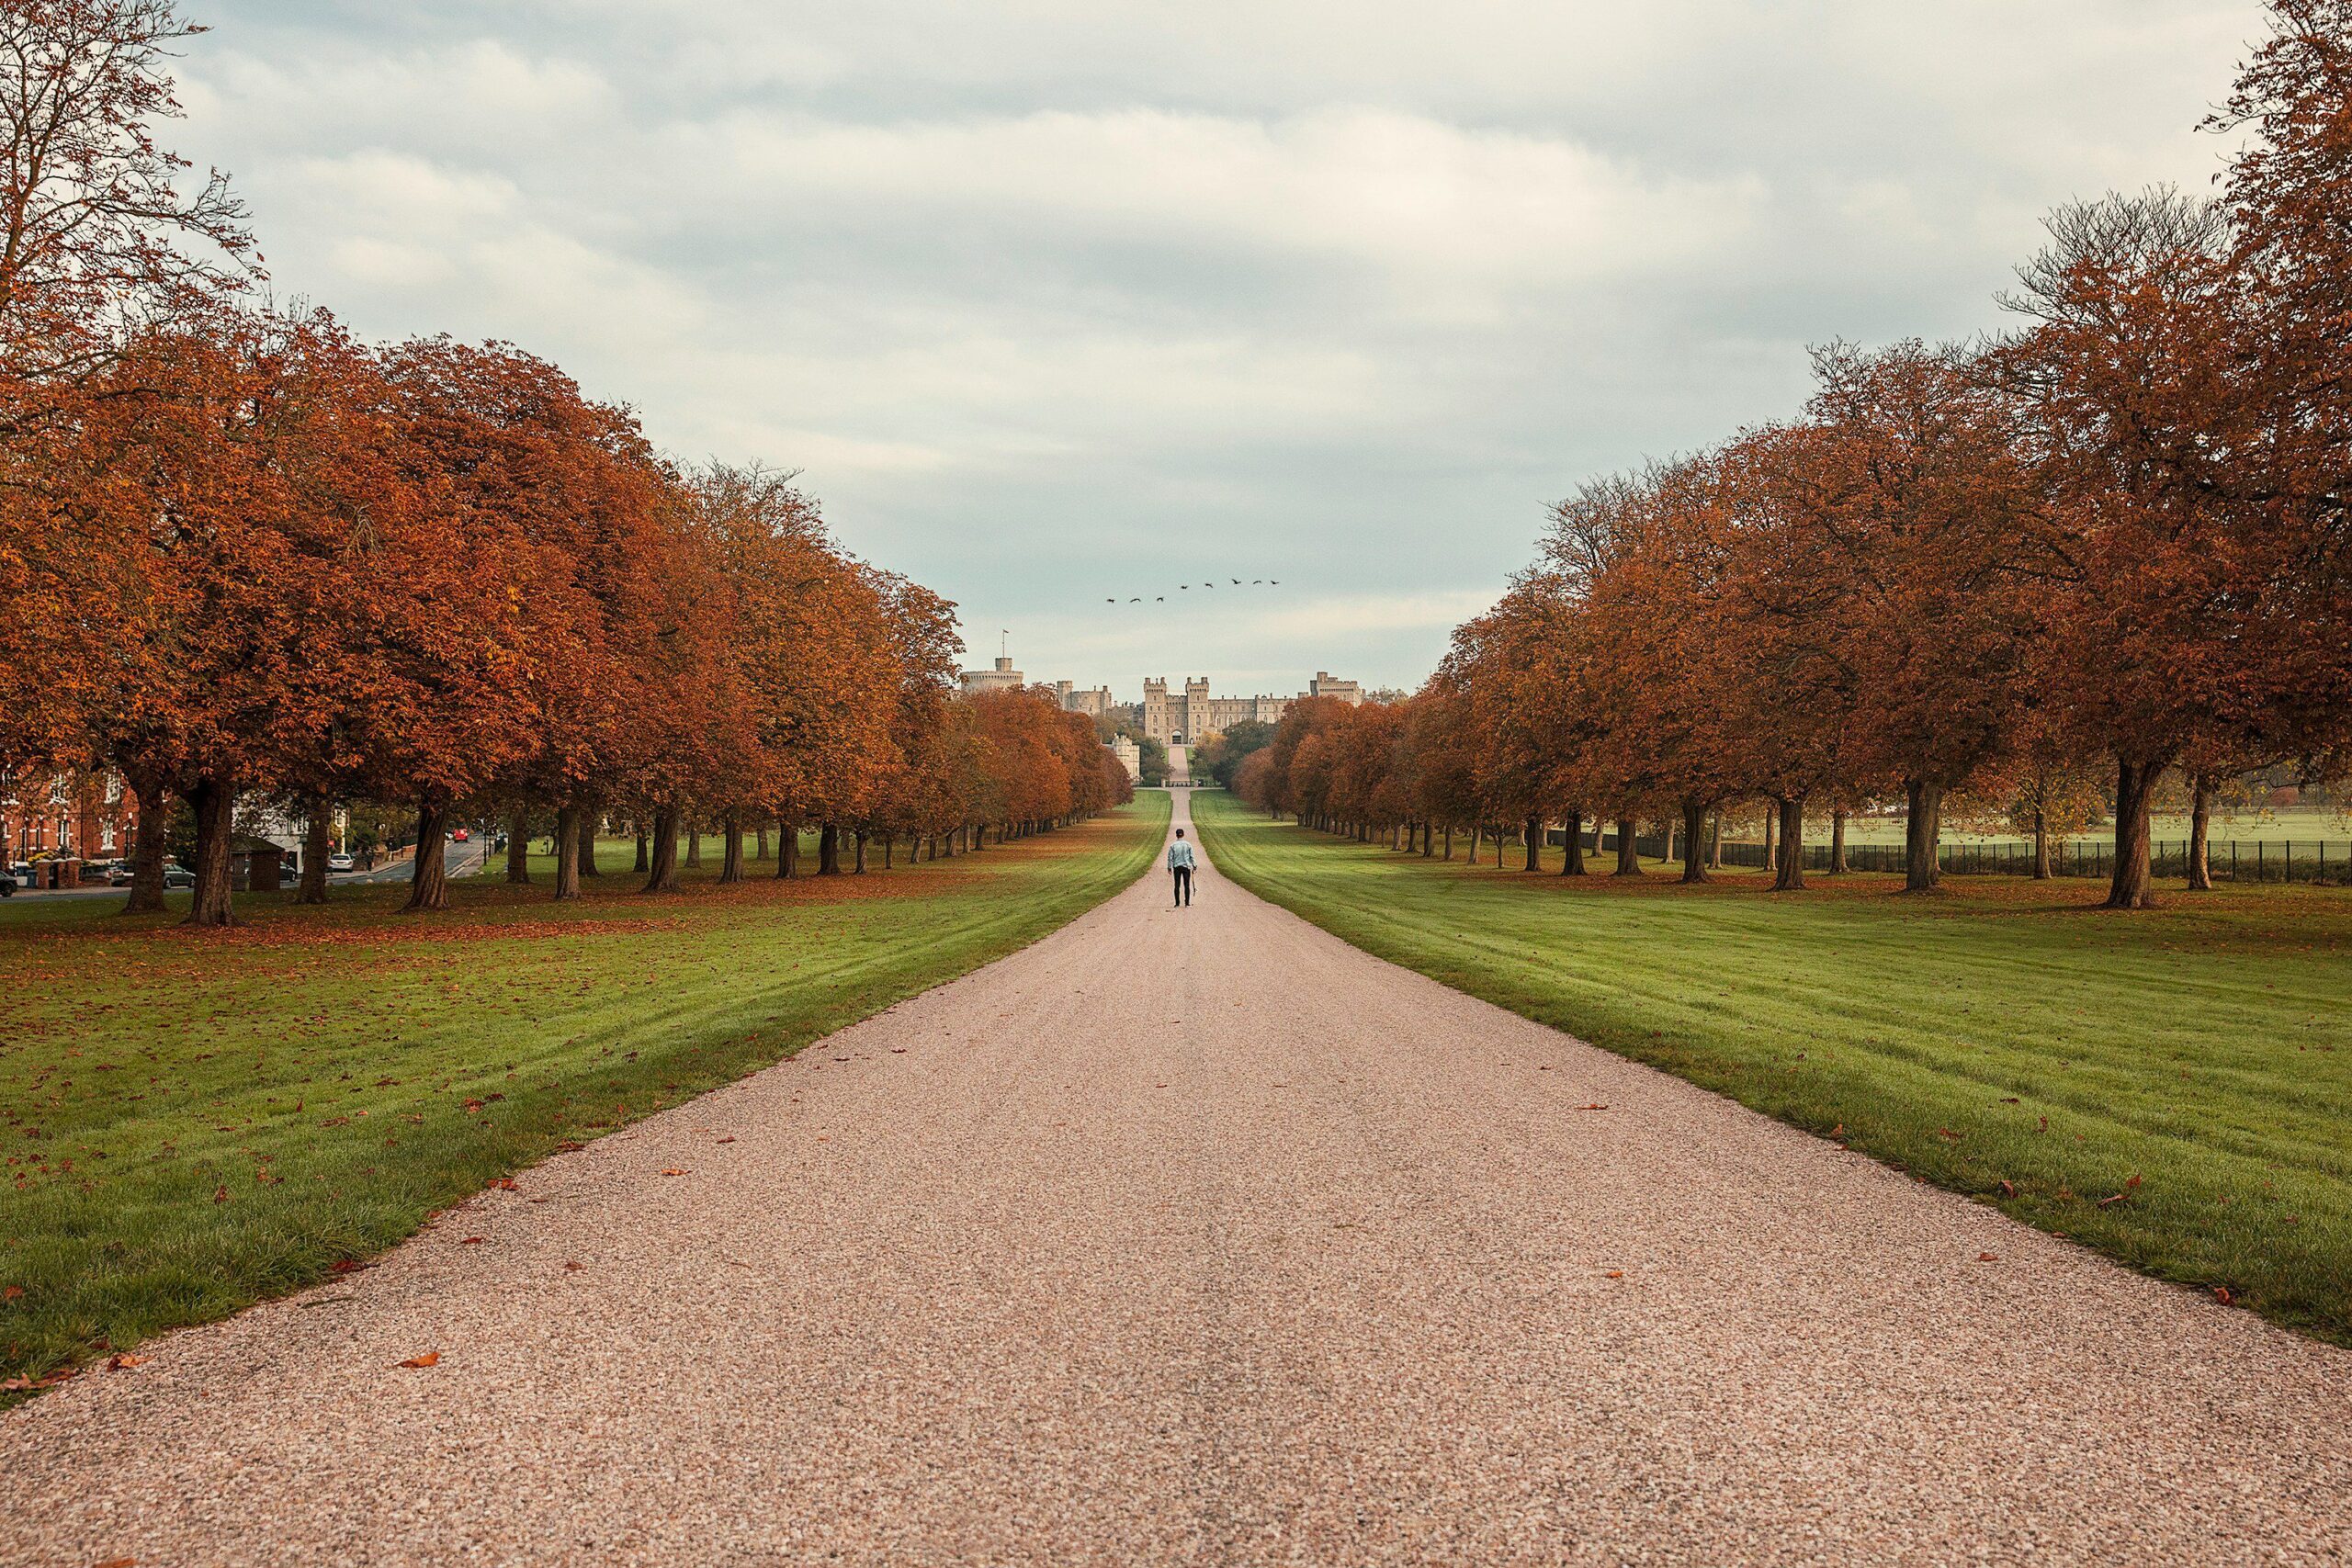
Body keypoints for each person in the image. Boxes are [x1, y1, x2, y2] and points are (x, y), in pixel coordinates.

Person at [1167, 828, 1196, 908]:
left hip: (1177, 867)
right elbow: (1192, 856)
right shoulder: (1188, 845)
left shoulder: (1173, 845)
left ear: (1176, 835)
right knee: (1187, 885)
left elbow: (1170, 858)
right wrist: (1194, 865)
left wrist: (1169, 867)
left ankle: (1177, 903)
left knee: (1177, 885)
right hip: (1186, 867)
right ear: (1183, 835)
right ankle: (1187, 903)